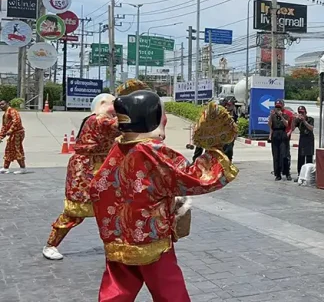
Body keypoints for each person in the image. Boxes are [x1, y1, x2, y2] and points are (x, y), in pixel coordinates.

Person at [90, 92, 239, 301]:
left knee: (117, 289)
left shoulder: (118, 147)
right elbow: (192, 177)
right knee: (169, 290)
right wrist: (214, 149)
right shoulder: (151, 150)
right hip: (150, 237)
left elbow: (98, 186)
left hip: (117, 237)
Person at [43, 93, 121, 261]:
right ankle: (51, 244)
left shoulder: (105, 121)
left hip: (103, 167)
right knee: (75, 211)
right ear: (102, 104)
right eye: (114, 103)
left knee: (111, 210)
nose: (116, 108)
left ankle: (115, 245)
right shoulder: (97, 120)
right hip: (85, 169)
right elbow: (120, 125)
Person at [268, 99, 292, 181]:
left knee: (284, 155)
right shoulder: (273, 115)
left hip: (282, 133)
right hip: (275, 134)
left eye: (279, 107)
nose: (278, 109)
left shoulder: (285, 115)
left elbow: (286, 124)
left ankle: (287, 172)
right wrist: (271, 116)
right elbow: (269, 125)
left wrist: (281, 116)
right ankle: (277, 174)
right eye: (277, 107)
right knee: (276, 156)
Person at [0, 99, 26, 174]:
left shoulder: (12, 111)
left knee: (17, 149)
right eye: (0, 105)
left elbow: (16, 121)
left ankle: (23, 168)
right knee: (8, 149)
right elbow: (4, 127)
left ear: (7, 104)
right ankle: (5, 168)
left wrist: (10, 130)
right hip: (12, 134)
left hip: (17, 133)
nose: (1, 106)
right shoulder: (5, 114)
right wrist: (1, 136)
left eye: (2, 104)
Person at [293, 105, 314, 181]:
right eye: (300, 113)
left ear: (305, 112)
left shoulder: (310, 119)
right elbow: (292, 128)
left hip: (309, 139)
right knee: (301, 157)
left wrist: (304, 121)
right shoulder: (298, 121)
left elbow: (311, 128)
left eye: (302, 113)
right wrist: (294, 120)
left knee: (309, 157)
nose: (301, 114)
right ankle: (300, 175)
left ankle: (309, 176)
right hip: (302, 138)